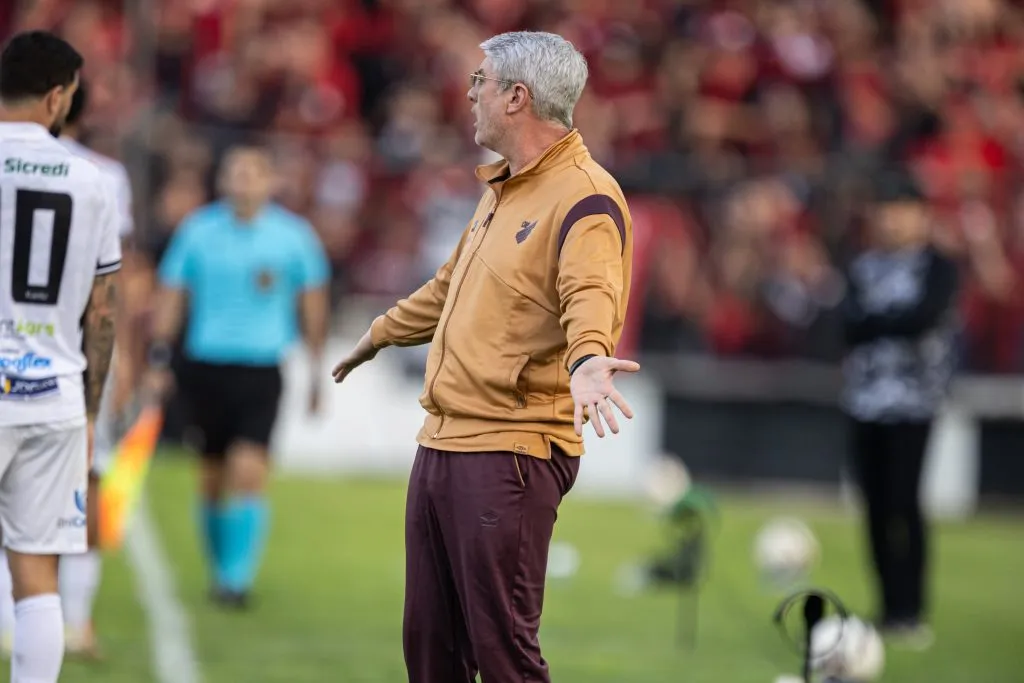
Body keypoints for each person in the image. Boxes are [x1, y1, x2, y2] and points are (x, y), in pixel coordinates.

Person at [332, 31, 637, 683]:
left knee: (504, 656)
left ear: (517, 98)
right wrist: (379, 333)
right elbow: (449, 286)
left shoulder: (585, 195)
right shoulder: (506, 186)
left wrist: (588, 359)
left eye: (480, 83)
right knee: (432, 653)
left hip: (510, 452)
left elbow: (590, 294)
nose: (469, 96)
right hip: (444, 443)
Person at [145, 144, 330, 608]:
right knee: (211, 476)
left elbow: (312, 306)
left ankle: (236, 579)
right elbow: (171, 295)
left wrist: (315, 372)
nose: (242, 181)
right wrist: (158, 357)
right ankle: (219, 568)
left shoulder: (293, 237)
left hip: (261, 369)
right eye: (235, 173)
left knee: (249, 470)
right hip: (204, 365)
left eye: (252, 173)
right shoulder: (198, 230)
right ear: (223, 180)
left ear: (270, 182)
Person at [0, 31, 120, 683]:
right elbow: (101, 311)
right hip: (54, 393)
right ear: (56, 97)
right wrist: (92, 409)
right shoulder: (93, 181)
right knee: (37, 573)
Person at [841, 170, 959, 651]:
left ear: (921, 216)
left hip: (913, 404)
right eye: (884, 210)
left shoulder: (937, 266)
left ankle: (911, 610)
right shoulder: (862, 266)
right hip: (863, 402)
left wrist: (878, 323)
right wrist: (887, 323)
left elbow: (923, 318)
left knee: (904, 504)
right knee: (872, 508)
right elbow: (847, 325)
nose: (891, 220)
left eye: (900, 209)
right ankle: (887, 609)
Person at [56, 78, 135, 660]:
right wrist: (123, 351)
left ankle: (17, 616)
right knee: (87, 484)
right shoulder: (105, 176)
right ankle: (75, 623)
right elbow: (114, 281)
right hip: (77, 349)